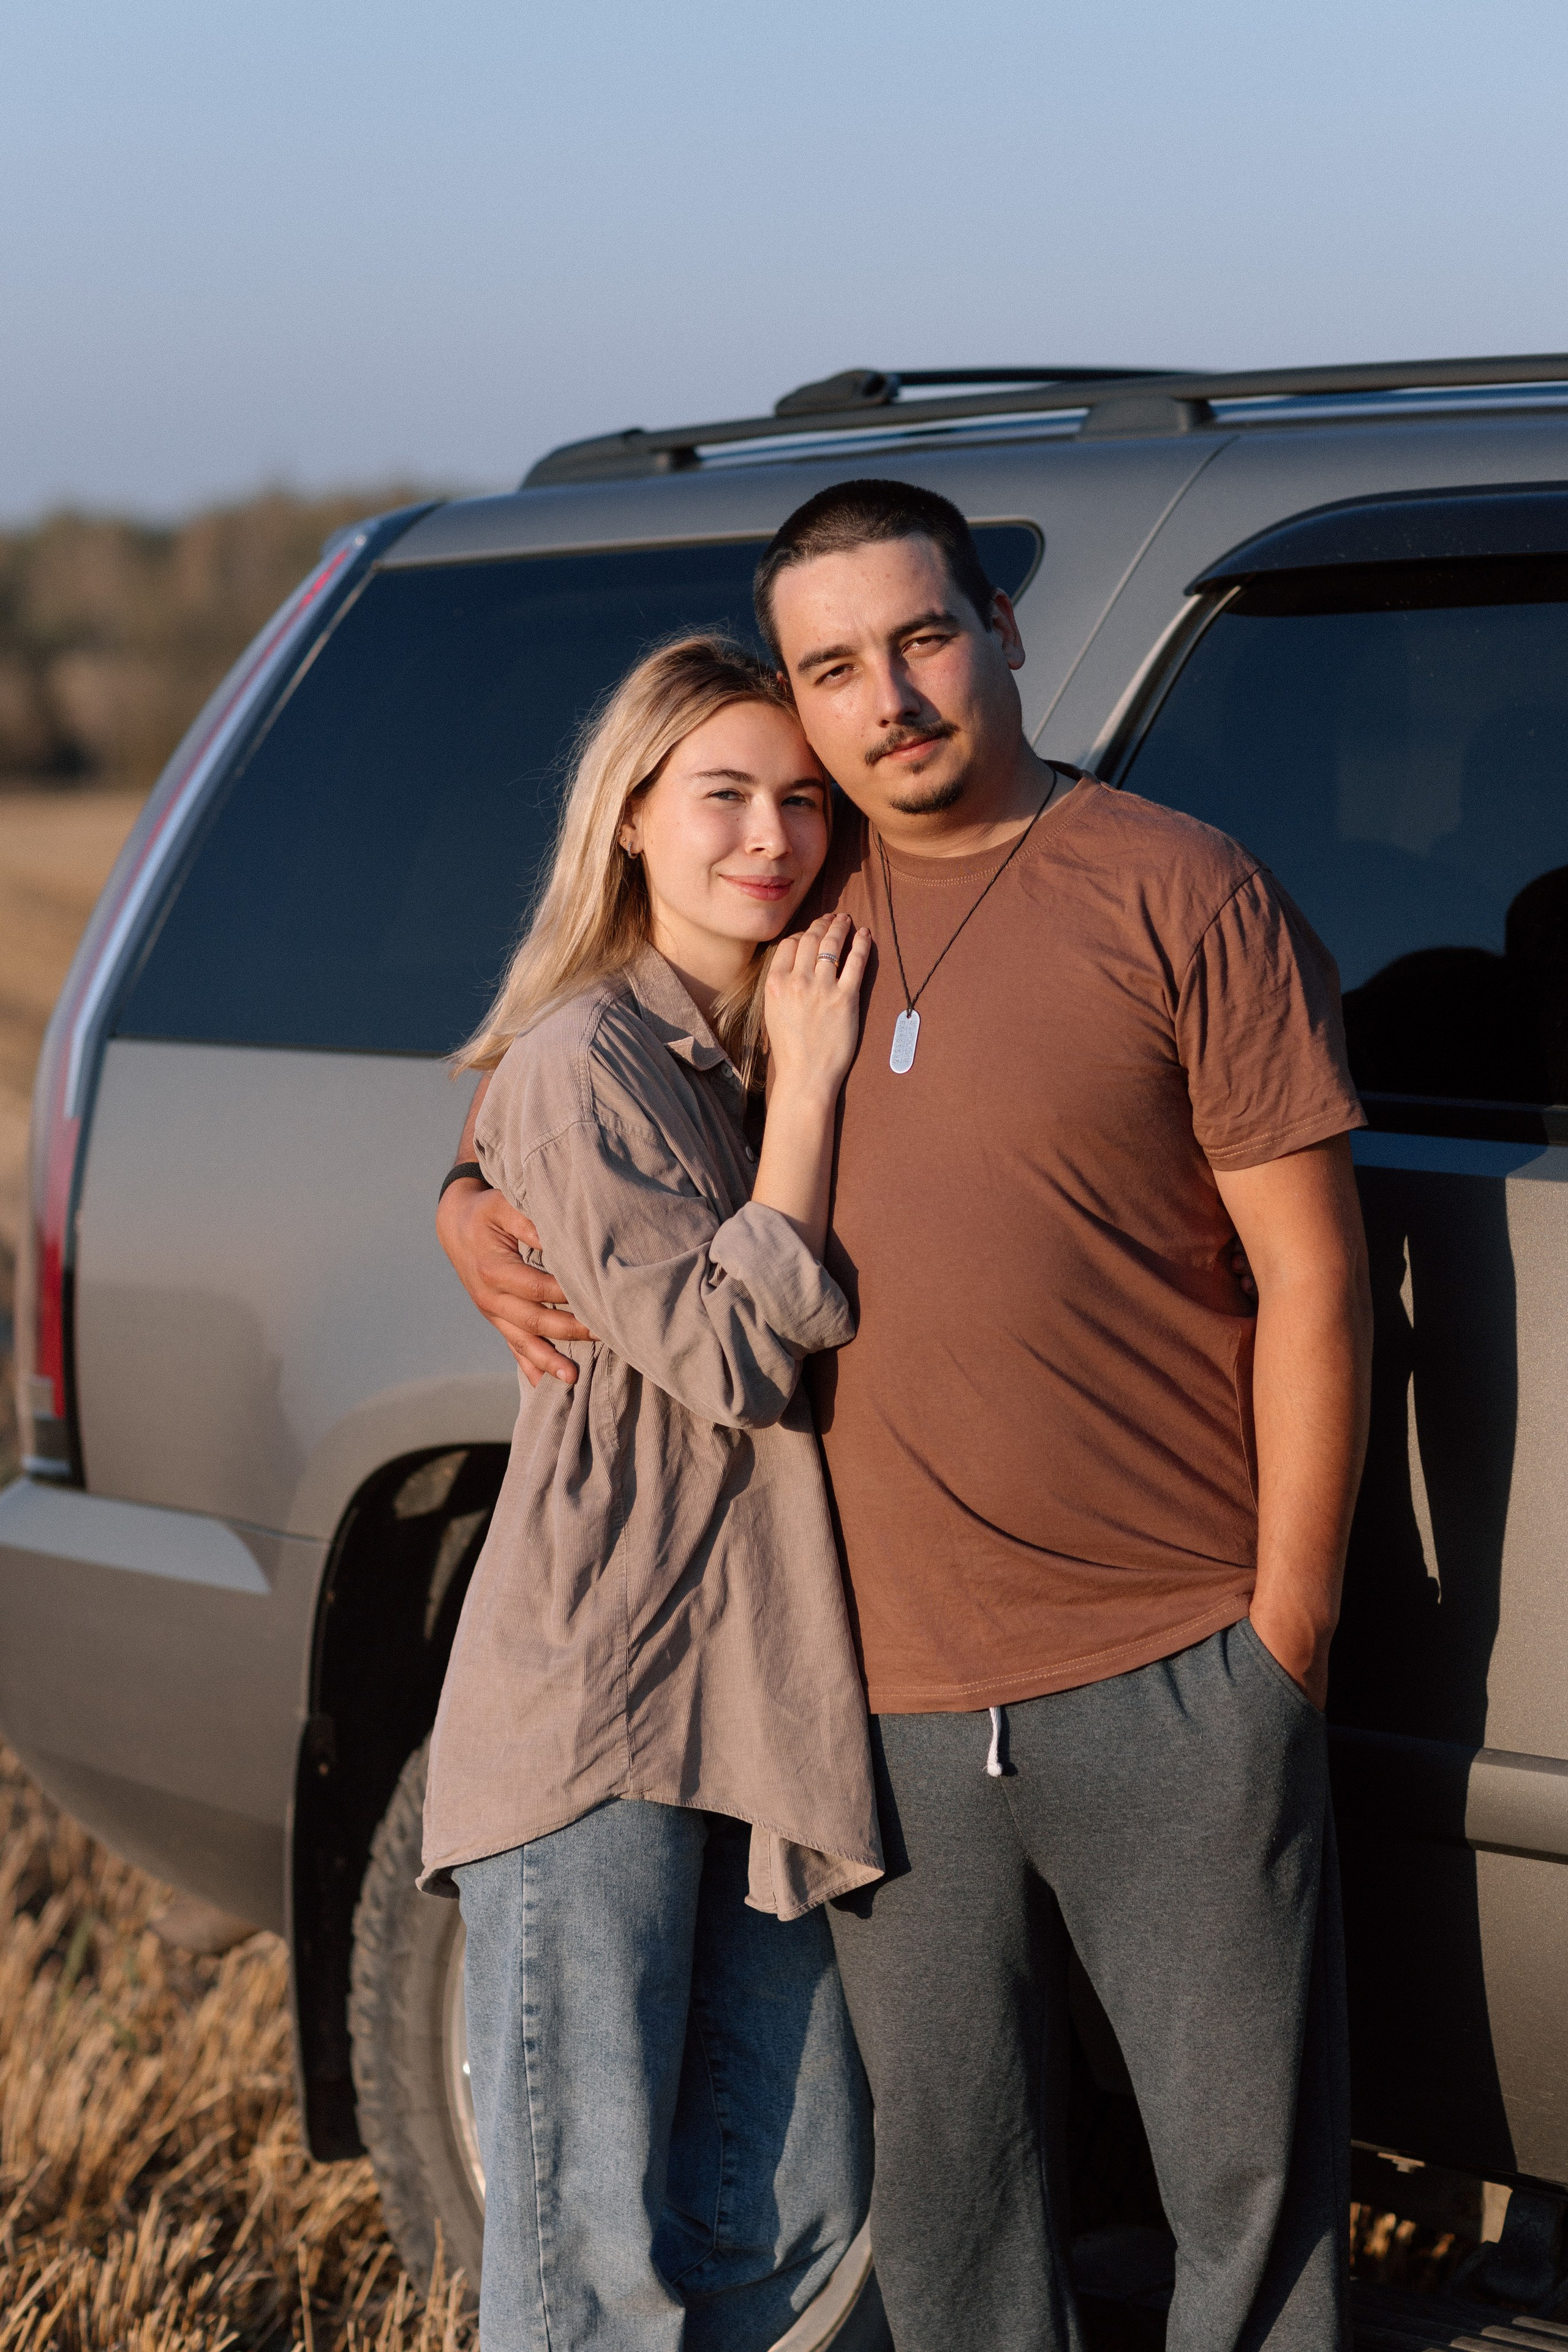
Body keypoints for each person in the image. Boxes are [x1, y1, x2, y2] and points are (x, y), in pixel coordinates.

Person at [440, 483, 1375, 2352]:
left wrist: (1287, 1637)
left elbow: (1319, 1284)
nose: (883, 710)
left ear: (1005, 629)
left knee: (1246, 2210)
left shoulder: (1175, 886)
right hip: (877, 1713)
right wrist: (465, 1195)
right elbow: (575, 1084)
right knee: (949, 2217)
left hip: (1175, 1663)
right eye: (831, 674)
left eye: (924, 639)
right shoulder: (797, 898)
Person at [421, 636, 881, 2352]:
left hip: (766, 1699)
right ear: (628, 816)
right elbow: (725, 1353)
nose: (769, 835)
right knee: (593, 2255)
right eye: (723, 796)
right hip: (605, 1696)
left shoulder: (774, 1021)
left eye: (800, 802)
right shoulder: (589, 1055)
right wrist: (821, 1086)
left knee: (793, 2197)